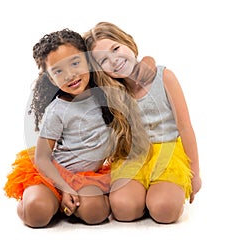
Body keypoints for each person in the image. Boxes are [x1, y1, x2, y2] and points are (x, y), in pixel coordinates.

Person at [3, 28, 149, 227]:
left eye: (75, 63)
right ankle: (45, 200)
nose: (70, 75)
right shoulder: (57, 110)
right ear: (50, 78)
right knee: (36, 212)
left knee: (96, 214)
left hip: (86, 178)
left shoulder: (107, 93)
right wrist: (64, 188)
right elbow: (42, 158)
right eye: (58, 71)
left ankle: (67, 205)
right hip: (53, 174)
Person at [83, 21, 202, 224]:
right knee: (123, 210)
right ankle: (140, 197)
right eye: (103, 60)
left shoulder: (163, 77)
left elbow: (185, 127)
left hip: (168, 154)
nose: (114, 60)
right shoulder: (113, 92)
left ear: (127, 42)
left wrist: (195, 174)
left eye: (115, 49)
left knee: (164, 211)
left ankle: (159, 196)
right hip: (132, 156)